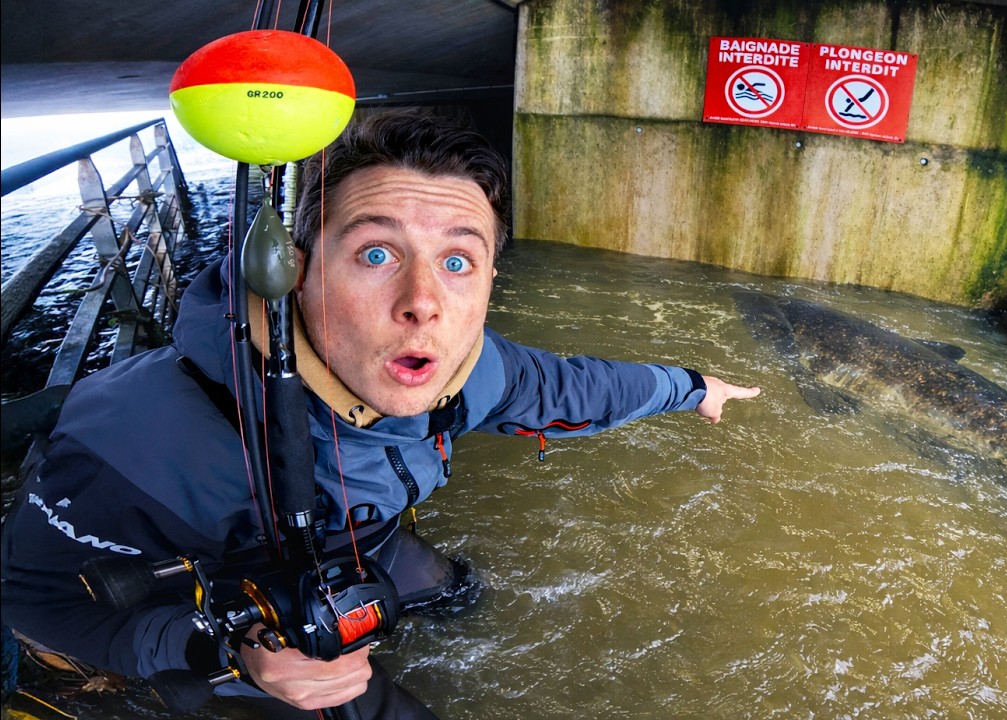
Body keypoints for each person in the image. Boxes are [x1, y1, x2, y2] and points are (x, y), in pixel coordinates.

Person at [0, 108, 759, 718]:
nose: (424, 304)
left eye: (458, 261)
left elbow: (573, 390)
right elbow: (32, 600)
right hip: (228, 600)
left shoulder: (471, 369)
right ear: (292, 271)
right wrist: (225, 651)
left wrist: (691, 386)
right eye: (374, 254)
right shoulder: (146, 443)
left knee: (461, 593)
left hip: (367, 540)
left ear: (491, 279)